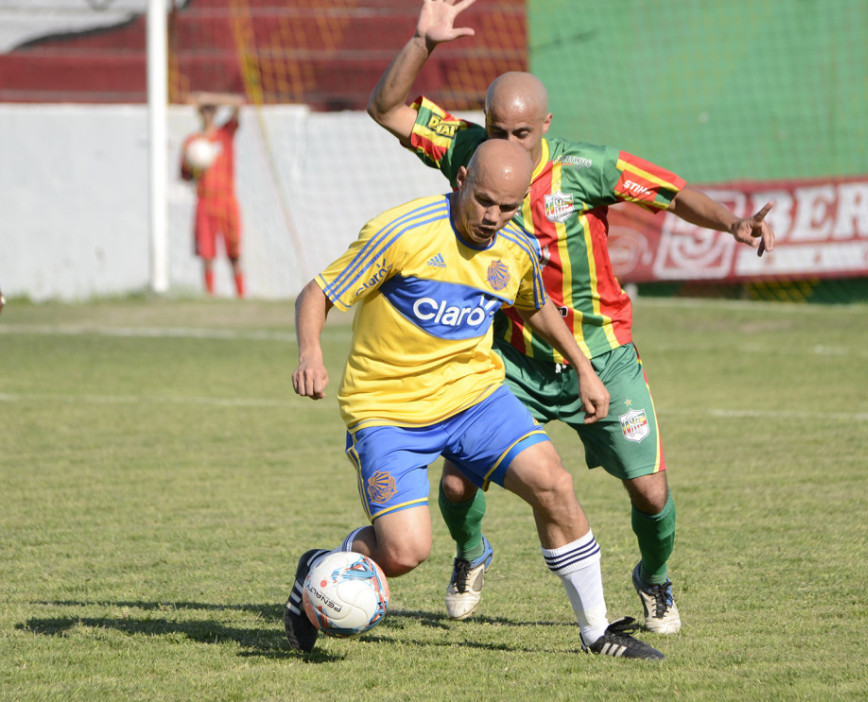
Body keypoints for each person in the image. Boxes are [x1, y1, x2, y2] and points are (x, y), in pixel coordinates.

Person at [366, 0, 777, 634]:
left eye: (522, 135)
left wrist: (733, 224)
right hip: (510, 359)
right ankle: (470, 555)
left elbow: (672, 193)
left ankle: (655, 578)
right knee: (455, 488)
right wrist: (422, 41)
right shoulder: (467, 153)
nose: (508, 145)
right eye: (497, 130)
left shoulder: (588, 168)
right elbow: (388, 108)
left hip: (601, 354)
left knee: (651, 493)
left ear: (546, 125)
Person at [284, 139, 664, 660]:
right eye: (485, 201)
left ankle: (597, 632)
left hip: (474, 400)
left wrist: (582, 367)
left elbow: (534, 307)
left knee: (554, 483)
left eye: (508, 207)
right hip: (388, 412)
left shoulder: (515, 245)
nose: (494, 217)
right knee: (405, 552)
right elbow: (318, 292)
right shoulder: (402, 233)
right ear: (459, 178)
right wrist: (311, 354)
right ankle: (319, 570)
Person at [179, 91, 246, 298]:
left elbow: (238, 104)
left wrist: (209, 98)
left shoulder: (225, 134)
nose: (208, 113)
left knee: (234, 253)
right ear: (199, 113)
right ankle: (210, 296)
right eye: (205, 109)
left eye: (212, 109)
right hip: (205, 201)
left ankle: (241, 296)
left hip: (227, 199)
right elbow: (184, 175)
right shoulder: (192, 142)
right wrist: (194, 167)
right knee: (207, 253)